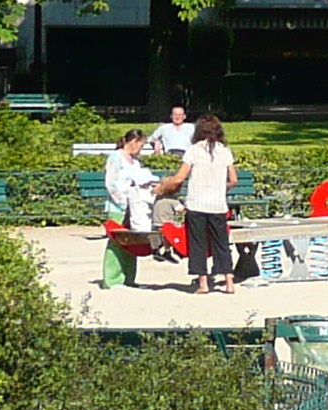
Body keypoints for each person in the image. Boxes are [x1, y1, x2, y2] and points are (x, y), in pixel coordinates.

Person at [157, 113, 238, 294]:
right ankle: (229, 282)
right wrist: (220, 188)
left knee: (198, 244)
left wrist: (162, 187)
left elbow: (179, 178)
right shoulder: (225, 151)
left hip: (196, 203)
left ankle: (203, 284)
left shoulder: (193, 150)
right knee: (221, 243)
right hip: (218, 205)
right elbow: (233, 180)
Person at [98, 128, 158, 288]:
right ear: (132, 141)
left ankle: (128, 277)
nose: (140, 148)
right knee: (117, 241)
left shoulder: (136, 162)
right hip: (119, 206)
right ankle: (112, 279)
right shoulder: (116, 157)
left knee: (132, 242)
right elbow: (111, 183)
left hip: (135, 206)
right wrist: (123, 202)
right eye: (140, 144)